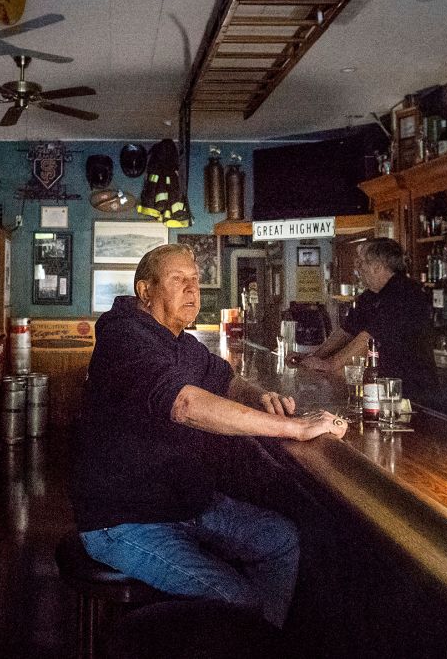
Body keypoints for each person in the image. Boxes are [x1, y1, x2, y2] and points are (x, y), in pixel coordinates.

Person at [71, 244, 346, 628]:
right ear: (145, 291)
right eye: (178, 280)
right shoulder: (126, 339)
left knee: (281, 541)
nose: (192, 289)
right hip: (125, 519)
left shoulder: (179, 341)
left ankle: (255, 644)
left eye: (195, 280)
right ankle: (247, 638)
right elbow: (183, 404)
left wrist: (262, 399)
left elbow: (226, 380)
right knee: (238, 602)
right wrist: (294, 428)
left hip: (182, 503)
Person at [289, 238, 439, 401]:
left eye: (361, 263)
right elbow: (346, 332)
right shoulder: (369, 296)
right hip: (382, 387)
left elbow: (369, 336)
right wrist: (315, 357)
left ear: (378, 266)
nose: (357, 268)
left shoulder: (404, 292)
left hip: (412, 391)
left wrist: (330, 365)